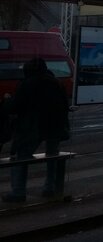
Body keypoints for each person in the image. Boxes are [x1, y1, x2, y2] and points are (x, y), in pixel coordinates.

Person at [2, 57, 70, 202]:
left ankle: (18, 192)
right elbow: (65, 105)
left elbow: (15, 106)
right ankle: (50, 187)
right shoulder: (57, 83)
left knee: (21, 158)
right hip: (55, 126)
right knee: (52, 155)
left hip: (32, 127)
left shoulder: (27, 84)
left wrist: (6, 100)